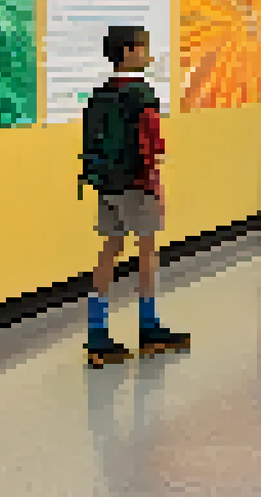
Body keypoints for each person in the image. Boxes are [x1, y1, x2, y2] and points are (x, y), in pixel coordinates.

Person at [80, 25, 189, 367]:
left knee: (110, 248)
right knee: (147, 251)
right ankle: (149, 326)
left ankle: (97, 332)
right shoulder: (142, 94)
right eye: (142, 49)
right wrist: (155, 184)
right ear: (127, 52)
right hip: (137, 185)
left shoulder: (99, 94)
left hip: (106, 183)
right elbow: (155, 144)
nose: (147, 55)